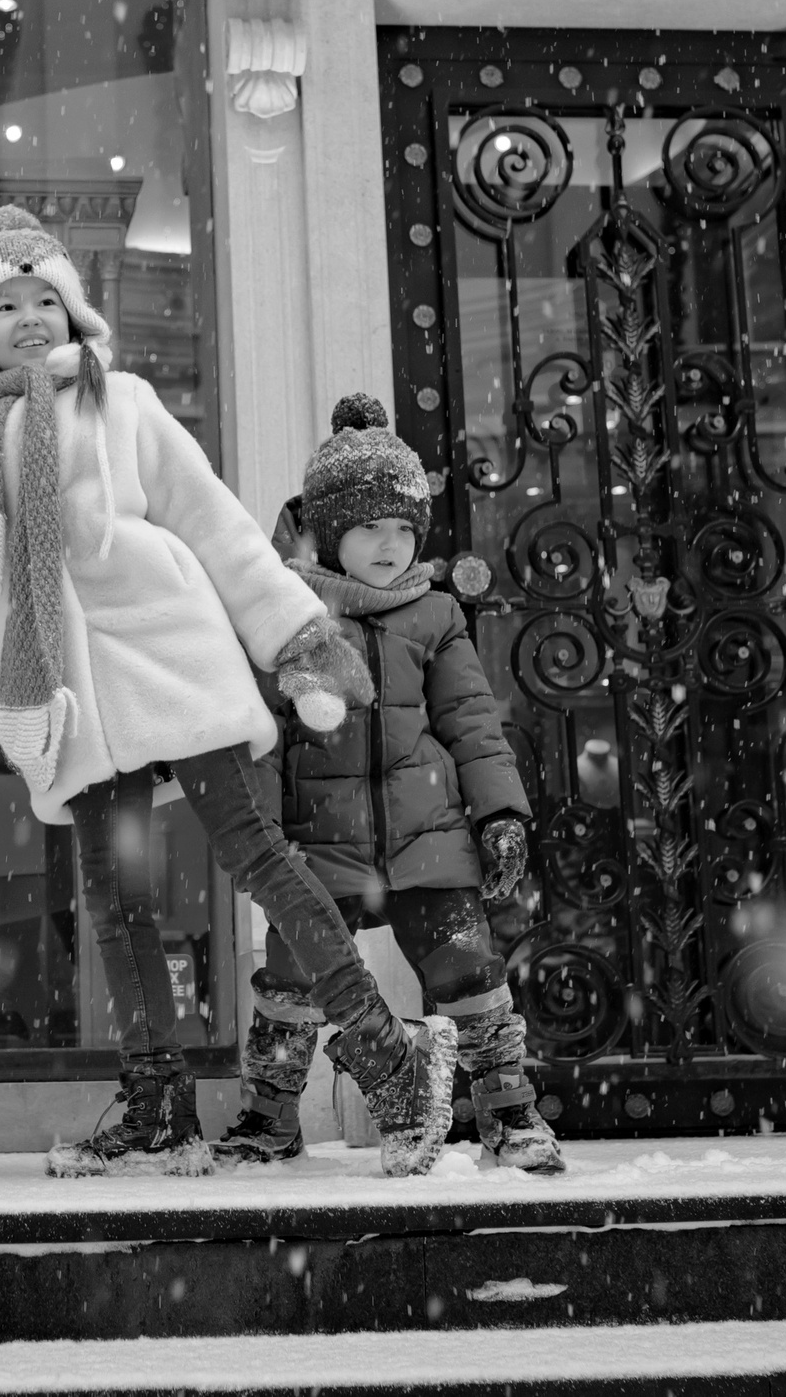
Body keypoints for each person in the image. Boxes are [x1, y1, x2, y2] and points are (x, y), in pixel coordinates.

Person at [0, 207, 461, 1178]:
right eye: (5, 304)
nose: (29, 318)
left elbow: (218, 527)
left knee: (259, 860)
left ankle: (393, 1064)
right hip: (68, 694)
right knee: (115, 896)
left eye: (45, 300)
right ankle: (156, 1103)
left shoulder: (125, 406)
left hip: (169, 663)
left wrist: (298, 639)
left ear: (72, 312)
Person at [214, 395, 564, 1174]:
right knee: (293, 980)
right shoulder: (292, 613)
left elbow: (472, 718)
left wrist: (501, 811)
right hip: (319, 843)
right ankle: (269, 1115)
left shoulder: (434, 612)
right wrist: (265, 838)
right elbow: (264, 736)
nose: (391, 544)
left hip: (428, 836)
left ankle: (509, 1111)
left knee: (469, 969)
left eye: (405, 528)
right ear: (333, 530)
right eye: (371, 527)